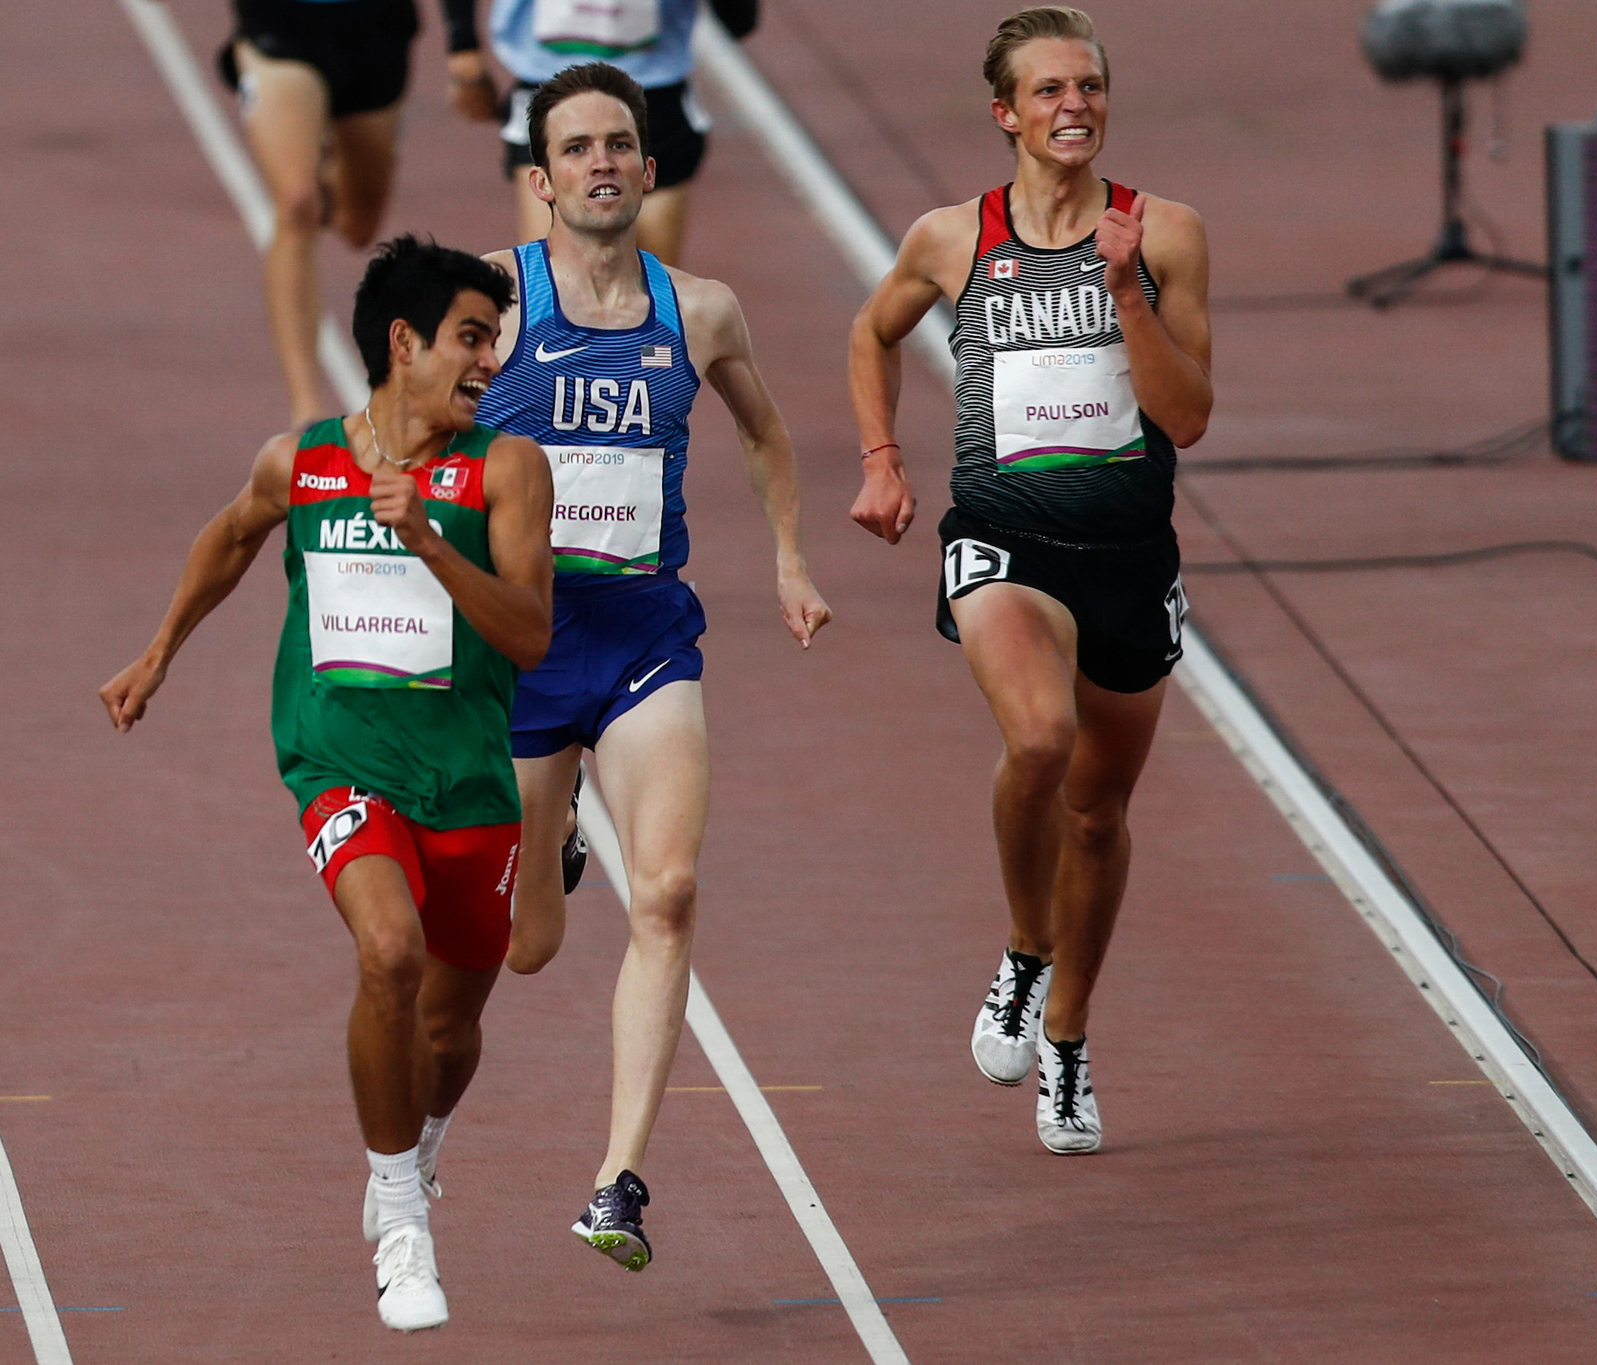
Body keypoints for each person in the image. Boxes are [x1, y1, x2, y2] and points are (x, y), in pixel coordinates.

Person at [99, 238, 553, 1330]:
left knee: (448, 1032)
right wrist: (159, 652)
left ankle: (419, 1142)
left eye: (494, 340)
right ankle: (401, 1220)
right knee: (388, 950)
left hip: (469, 782)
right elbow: (231, 537)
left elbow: (531, 635)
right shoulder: (299, 464)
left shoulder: (505, 470)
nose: (489, 361)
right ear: (404, 343)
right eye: (471, 337)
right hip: (338, 762)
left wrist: (431, 543)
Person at [472, 61, 830, 1269]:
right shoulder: (496, 302)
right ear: (540, 179)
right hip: (522, 649)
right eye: (576, 148)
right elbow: (409, 429)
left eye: (618, 144)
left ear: (648, 165)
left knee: (668, 892)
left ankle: (616, 1182)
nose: (602, 163)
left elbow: (766, 431)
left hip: (643, 639)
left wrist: (788, 558)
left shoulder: (701, 310)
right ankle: (556, 832)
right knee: (526, 946)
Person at [848, 6, 1212, 1155]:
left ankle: (1066, 1036)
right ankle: (1021, 950)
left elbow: (1187, 418)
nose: (1073, 105)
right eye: (1049, 89)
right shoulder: (952, 237)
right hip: (1002, 540)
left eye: (1088, 86)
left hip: (1129, 558)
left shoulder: (1165, 233)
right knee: (1041, 739)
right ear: (1004, 112)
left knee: (1097, 817)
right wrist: (881, 458)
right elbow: (871, 332)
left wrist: (1124, 293)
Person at [217, 0, 423, 428]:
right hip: (281, 27)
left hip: (374, 31)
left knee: (359, 227)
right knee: (296, 205)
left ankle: (325, 154)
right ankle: (306, 411)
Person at [437, 0, 759, 265]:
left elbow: (739, 21)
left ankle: (644, 333)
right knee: (555, 276)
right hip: (547, 90)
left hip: (653, 96)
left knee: (653, 288)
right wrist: (463, 48)